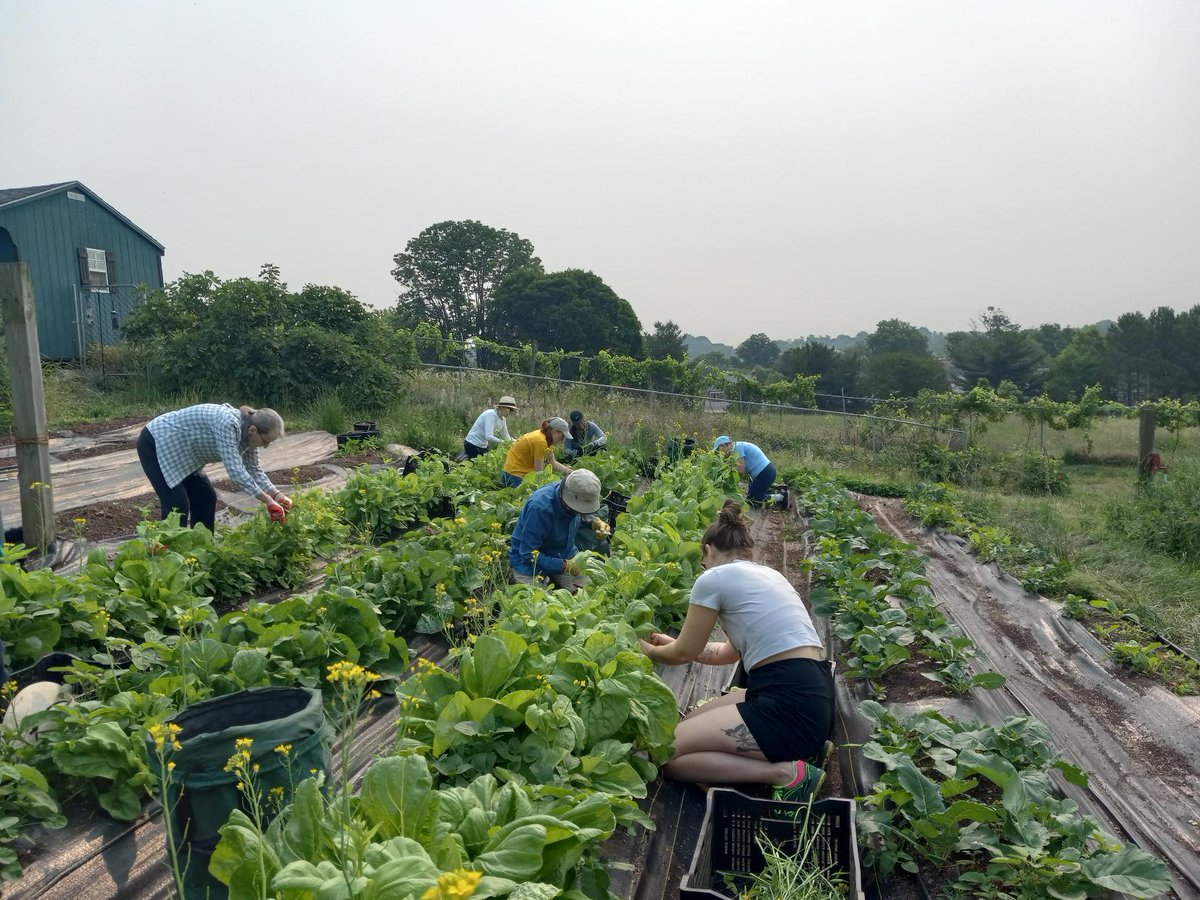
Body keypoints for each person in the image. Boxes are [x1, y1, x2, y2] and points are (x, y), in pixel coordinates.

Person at [639, 499, 833, 802]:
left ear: (707, 551)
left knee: (664, 754)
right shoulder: (770, 575)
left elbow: (682, 655)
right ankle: (801, 750)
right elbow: (728, 652)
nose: (703, 568)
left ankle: (786, 774)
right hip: (809, 695)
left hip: (786, 706)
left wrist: (646, 650)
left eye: (703, 561)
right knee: (685, 726)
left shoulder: (713, 578)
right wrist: (671, 641)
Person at [137, 403, 292, 532]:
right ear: (253, 430)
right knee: (177, 504)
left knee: (206, 497)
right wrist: (268, 501)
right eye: (266, 441)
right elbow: (236, 472)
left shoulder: (249, 435)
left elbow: (254, 470)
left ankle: (201, 549)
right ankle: (169, 556)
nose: (265, 446)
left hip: (183, 455)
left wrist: (277, 495)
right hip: (156, 442)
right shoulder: (228, 424)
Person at [509, 469, 605, 591]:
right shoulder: (540, 509)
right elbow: (528, 554)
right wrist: (564, 565)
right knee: (539, 605)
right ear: (568, 499)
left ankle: (556, 577)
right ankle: (515, 577)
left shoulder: (571, 492)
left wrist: (593, 522)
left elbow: (579, 511)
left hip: (565, 554)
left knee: (590, 590)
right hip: (529, 564)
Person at [713, 435, 783, 508]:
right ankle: (778, 490)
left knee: (753, 501)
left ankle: (782, 497)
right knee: (753, 495)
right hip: (764, 473)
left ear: (724, 445)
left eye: (719, 450)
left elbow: (741, 470)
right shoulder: (737, 447)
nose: (720, 453)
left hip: (765, 473)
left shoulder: (736, 448)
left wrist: (730, 480)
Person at [501, 417, 573, 488]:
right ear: (555, 431)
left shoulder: (544, 437)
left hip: (510, 474)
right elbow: (538, 472)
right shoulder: (540, 442)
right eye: (562, 436)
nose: (562, 440)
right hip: (513, 477)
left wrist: (571, 472)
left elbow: (553, 463)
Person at [462, 395, 518, 460]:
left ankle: (462, 460)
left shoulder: (503, 418)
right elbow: (488, 436)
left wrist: (517, 441)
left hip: (483, 445)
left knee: (484, 463)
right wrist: (503, 442)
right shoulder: (491, 414)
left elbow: (506, 436)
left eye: (512, 410)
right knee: (475, 466)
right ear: (502, 407)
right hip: (472, 443)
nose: (510, 412)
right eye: (509, 409)